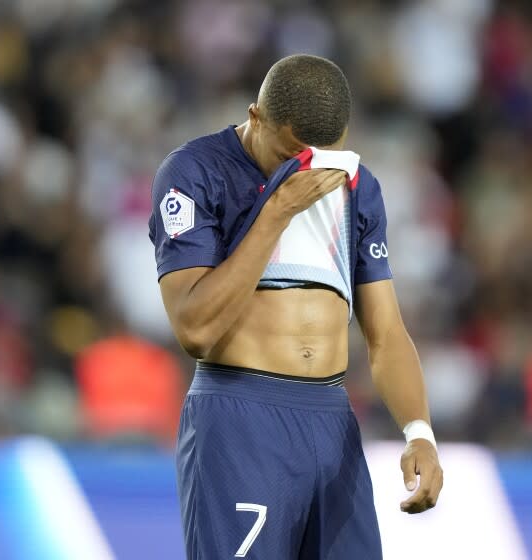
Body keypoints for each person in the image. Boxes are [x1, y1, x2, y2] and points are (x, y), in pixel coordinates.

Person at [149, 54, 442, 559]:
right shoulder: (195, 172)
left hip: (333, 422)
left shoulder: (356, 186)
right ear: (255, 117)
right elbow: (194, 328)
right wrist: (277, 211)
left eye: (321, 155)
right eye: (290, 154)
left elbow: (387, 334)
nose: (306, 169)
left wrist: (420, 432)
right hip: (241, 417)